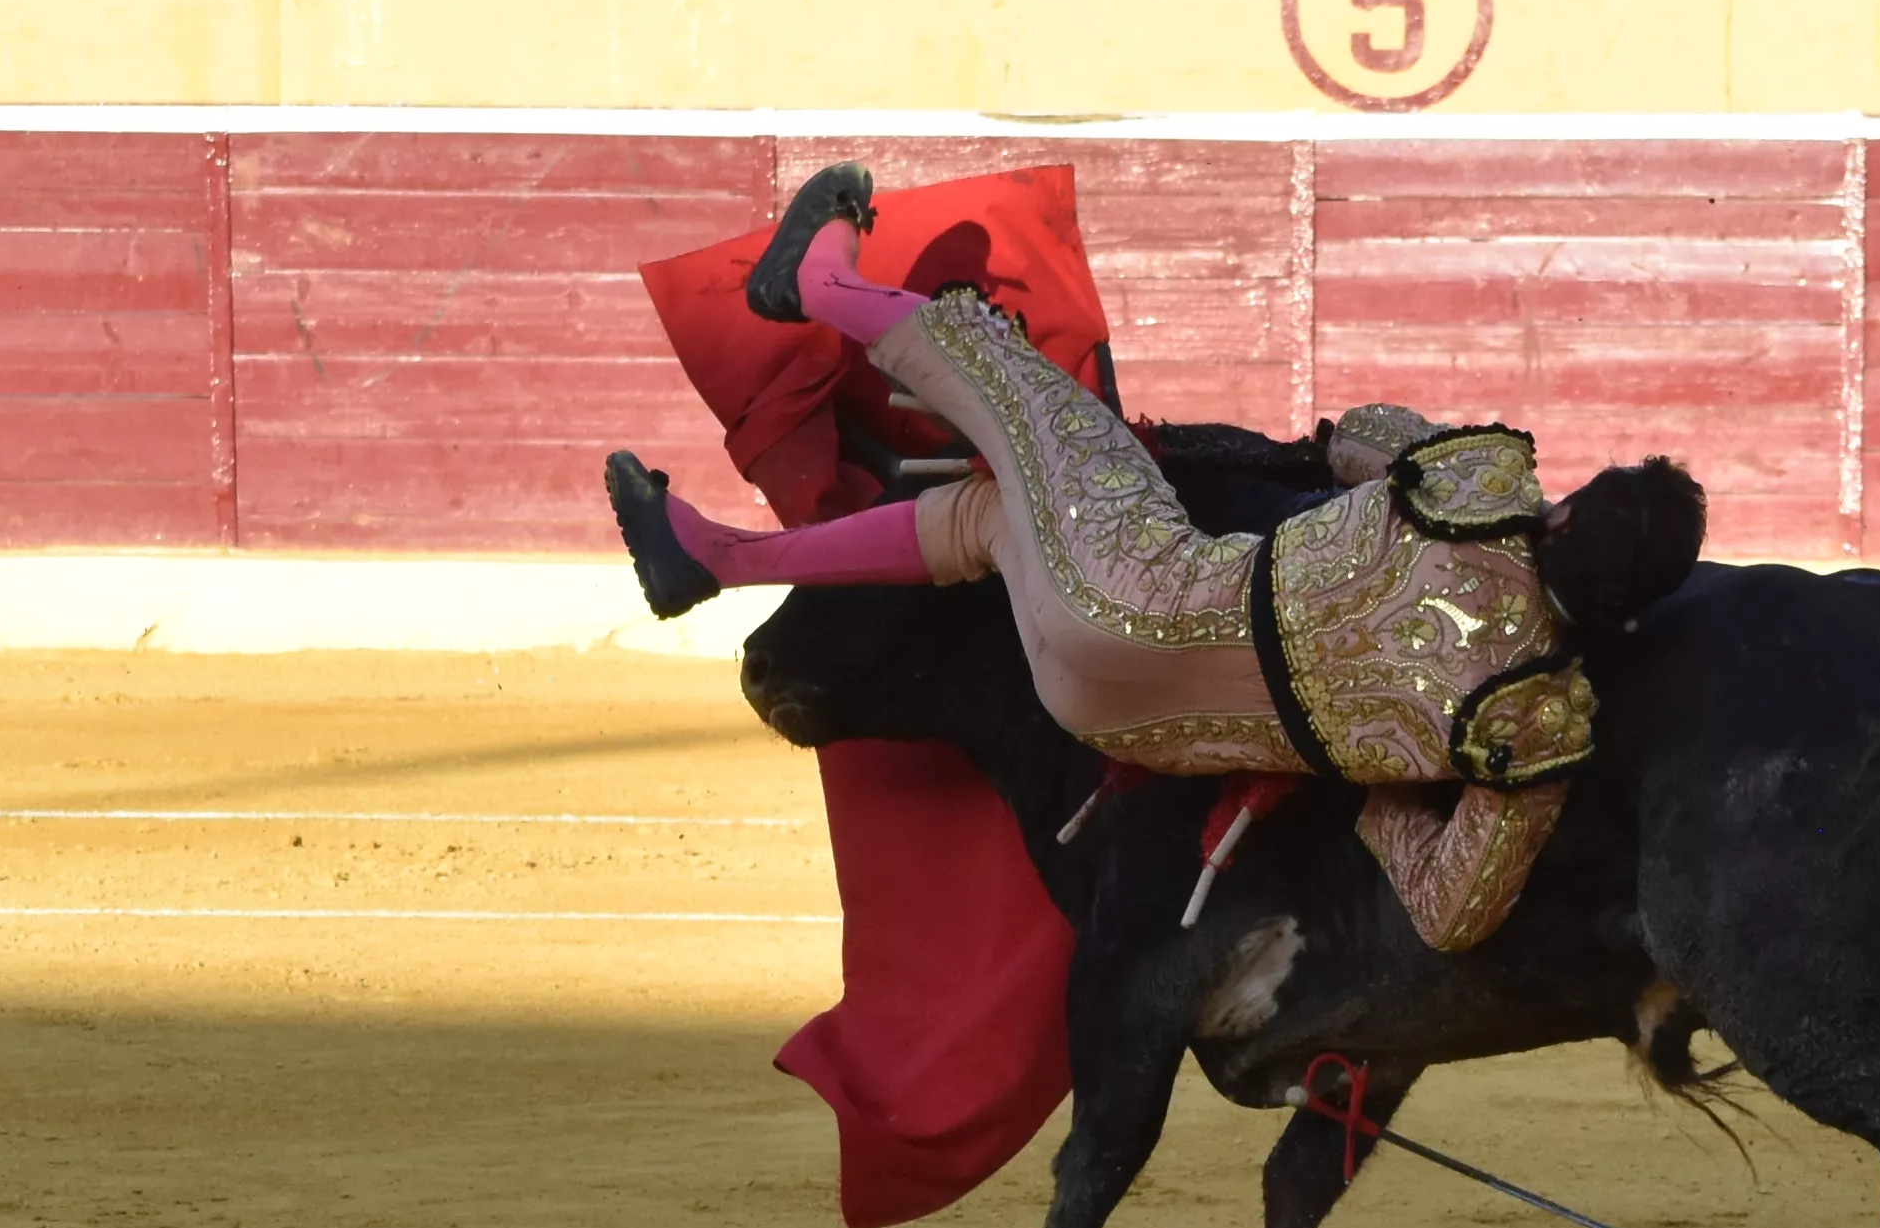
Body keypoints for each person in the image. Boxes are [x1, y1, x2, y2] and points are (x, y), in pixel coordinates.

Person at [606, 164, 1687, 962]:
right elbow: (1451, 914)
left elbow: (1364, 432)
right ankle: (720, 555)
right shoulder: (1535, 724)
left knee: (1014, 383)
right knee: (990, 514)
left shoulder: (1485, 493)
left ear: (1567, 516)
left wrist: (1326, 461)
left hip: (1128, 575)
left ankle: (821, 285)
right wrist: (1381, 793)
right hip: (1117, 723)